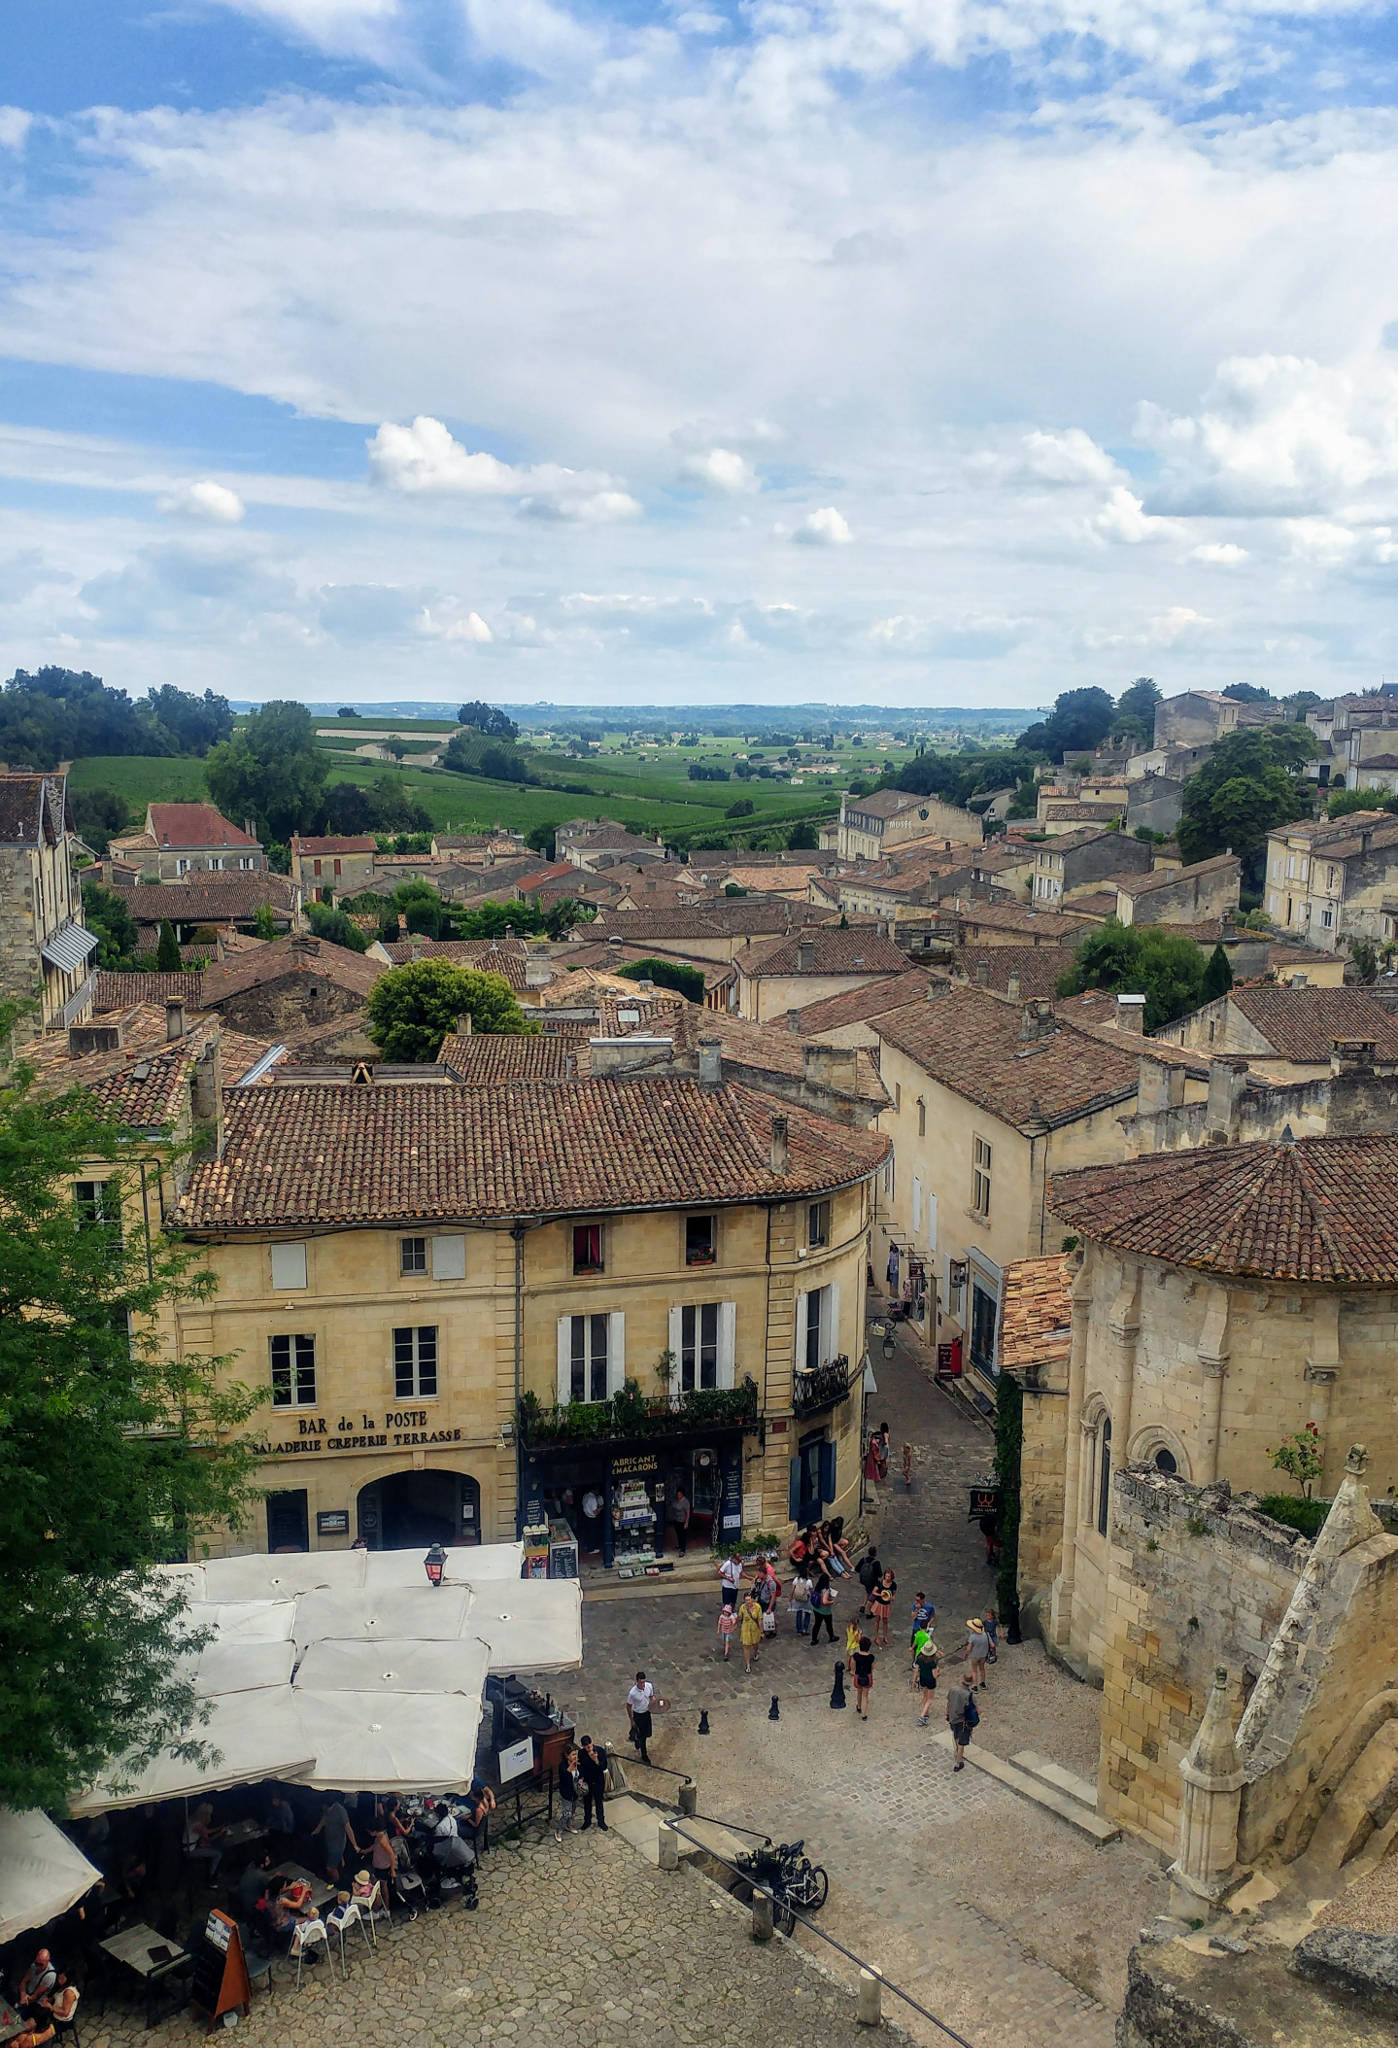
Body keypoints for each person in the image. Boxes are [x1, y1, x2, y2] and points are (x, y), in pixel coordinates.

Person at [311, 1796, 359, 1882]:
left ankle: (335, 1882)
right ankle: (342, 1869)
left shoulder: (341, 1811)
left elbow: (348, 1829)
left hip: (338, 1843)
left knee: (330, 1868)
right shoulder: (326, 1810)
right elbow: (324, 1818)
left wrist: (355, 1845)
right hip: (329, 1840)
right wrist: (317, 1830)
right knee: (337, 1859)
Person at [182, 1802, 226, 1881]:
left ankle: (211, 1870)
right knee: (218, 1853)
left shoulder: (192, 1819)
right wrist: (220, 1832)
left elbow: (207, 1831)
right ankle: (212, 1875)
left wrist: (219, 1828)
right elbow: (209, 1838)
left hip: (192, 1846)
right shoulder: (197, 1824)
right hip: (190, 1850)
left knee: (212, 1847)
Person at [946, 1668, 977, 1770]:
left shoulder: (953, 1689)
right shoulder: (968, 1695)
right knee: (962, 1743)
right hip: (962, 1721)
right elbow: (972, 1710)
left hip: (952, 1717)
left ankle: (957, 1753)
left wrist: (947, 1714)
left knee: (955, 1736)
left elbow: (948, 1703)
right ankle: (958, 1763)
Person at [577, 1736, 609, 1831]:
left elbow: (604, 1767)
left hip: (598, 1781)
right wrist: (581, 1778)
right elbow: (581, 1768)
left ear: (592, 1743)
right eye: (586, 1747)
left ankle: (601, 1821)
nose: (588, 1748)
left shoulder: (600, 1751)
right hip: (588, 1781)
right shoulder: (582, 1753)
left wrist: (596, 1760)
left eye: (589, 1746)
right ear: (583, 1746)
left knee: (599, 1802)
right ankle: (587, 1821)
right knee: (587, 1802)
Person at [626, 1670, 656, 1763]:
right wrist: (631, 1720)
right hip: (638, 1715)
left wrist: (655, 1702)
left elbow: (651, 1696)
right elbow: (628, 1706)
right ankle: (644, 1754)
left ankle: (636, 1739)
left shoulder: (649, 1686)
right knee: (642, 1737)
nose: (643, 1684)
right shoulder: (633, 1693)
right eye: (641, 1682)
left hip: (647, 1713)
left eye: (643, 1682)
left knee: (647, 1733)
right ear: (637, 1681)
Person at [17, 1953, 56, 2018]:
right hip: (27, 1993)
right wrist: (22, 1993)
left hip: (36, 2002)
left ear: (47, 1961)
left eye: (41, 1964)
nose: (38, 1966)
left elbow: (36, 1996)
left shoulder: (50, 1975)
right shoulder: (34, 1965)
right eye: (37, 1963)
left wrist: (23, 2000)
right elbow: (24, 1981)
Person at [959, 1617, 991, 1690]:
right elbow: (991, 1645)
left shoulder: (972, 1637)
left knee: (974, 1670)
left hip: (974, 1656)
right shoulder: (986, 1634)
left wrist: (965, 1655)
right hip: (983, 1655)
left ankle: (975, 1686)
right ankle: (983, 1683)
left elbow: (969, 1648)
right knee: (982, 1669)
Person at [915, 1636, 941, 1725]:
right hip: (930, 1681)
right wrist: (938, 1671)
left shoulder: (919, 1658)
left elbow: (916, 1670)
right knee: (930, 1699)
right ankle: (922, 1716)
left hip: (922, 1678)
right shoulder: (932, 1662)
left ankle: (926, 1712)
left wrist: (914, 1680)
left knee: (925, 1696)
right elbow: (934, 1675)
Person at [556, 1746, 580, 1841]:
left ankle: (569, 1825)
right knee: (566, 1813)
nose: (575, 1756)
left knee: (573, 1811)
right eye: (573, 1754)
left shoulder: (578, 1763)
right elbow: (564, 1778)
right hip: (567, 1793)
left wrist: (581, 1780)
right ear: (567, 1756)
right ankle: (559, 1830)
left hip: (576, 1792)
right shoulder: (562, 1766)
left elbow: (581, 1774)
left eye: (576, 1754)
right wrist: (572, 1766)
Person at [738, 1589, 764, 1674]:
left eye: (749, 1600)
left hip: (754, 1628)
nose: (748, 1602)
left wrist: (761, 1631)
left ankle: (756, 1652)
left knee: (755, 1644)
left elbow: (760, 1620)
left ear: (752, 1599)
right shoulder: (742, 1607)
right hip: (745, 1629)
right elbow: (739, 1617)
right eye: (746, 1600)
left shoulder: (757, 1607)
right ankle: (748, 1665)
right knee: (746, 1646)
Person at [870, 1568, 897, 1648]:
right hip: (879, 1604)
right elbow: (874, 1592)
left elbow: (894, 1594)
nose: (887, 1578)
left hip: (886, 1604)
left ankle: (885, 1636)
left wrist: (892, 1598)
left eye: (889, 1577)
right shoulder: (880, 1583)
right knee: (877, 1620)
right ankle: (876, 1637)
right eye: (886, 1576)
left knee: (885, 1621)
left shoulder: (893, 1584)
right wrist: (880, 1595)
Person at [852, 1635, 876, 1720]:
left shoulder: (856, 1656)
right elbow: (873, 1667)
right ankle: (864, 1715)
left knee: (859, 1692)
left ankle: (859, 1706)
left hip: (858, 1675)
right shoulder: (871, 1657)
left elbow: (853, 1666)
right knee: (865, 1695)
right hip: (867, 1676)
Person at [809, 1572, 837, 1645]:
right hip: (825, 1610)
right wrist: (831, 1602)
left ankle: (814, 1639)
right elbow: (824, 1601)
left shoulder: (818, 1587)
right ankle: (832, 1637)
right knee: (828, 1624)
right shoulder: (826, 1590)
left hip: (816, 1609)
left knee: (817, 1624)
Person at [855, 1547, 881, 1615]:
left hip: (864, 1580)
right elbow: (880, 1574)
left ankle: (863, 1605)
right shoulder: (876, 1563)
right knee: (875, 1593)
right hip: (873, 1581)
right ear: (875, 1553)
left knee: (867, 1591)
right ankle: (870, 1608)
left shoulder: (863, 1560)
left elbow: (857, 1569)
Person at [789, 1567, 813, 1637]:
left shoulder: (796, 1579)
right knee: (807, 1613)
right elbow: (811, 1591)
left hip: (797, 1599)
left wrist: (791, 1597)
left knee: (799, 1613)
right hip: (806, 1599)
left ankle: (799, 1629)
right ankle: (805, 1629)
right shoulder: (809, 1581)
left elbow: (793, 1589)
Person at [669, 1485, 691, 1556]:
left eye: (680, 1494)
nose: (678, 1495)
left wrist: (686, 1522)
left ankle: (682, 1550)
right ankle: (680, 1545)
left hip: (682, 1521)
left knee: (683, 1535)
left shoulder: (685, 1502)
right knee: (678, 1534)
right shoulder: (676, 1500)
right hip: (676, 1520)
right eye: (678, 1494)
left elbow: (688, 1513)